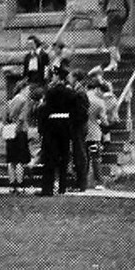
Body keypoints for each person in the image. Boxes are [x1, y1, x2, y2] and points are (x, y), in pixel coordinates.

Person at [38, 65, 75, 196]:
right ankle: (62, 187)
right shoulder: (70, 92)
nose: (52, 78)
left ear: (58, 77)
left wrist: (42, 127)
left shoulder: (51, 92)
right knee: (64, 156)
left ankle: (48, 188)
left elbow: (45, 109)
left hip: (52, 125)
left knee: (50, 157)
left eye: (54, 75)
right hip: (65, 126)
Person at [4, 80, 31, 194]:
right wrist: (18, 127)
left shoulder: (10, 101)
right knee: (20, 160)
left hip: (10, 131)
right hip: (20, 131)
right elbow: (22, 118)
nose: (29, 91)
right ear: (23, 88)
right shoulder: (24, 100)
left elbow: (6, 117)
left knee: (11, 160)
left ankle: (12, 184)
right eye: (28, 89)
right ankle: (19, 184)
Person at [97, 0, 130, 71]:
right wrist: (126, 16)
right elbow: (128, 5)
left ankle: (113, 62)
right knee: (117, 34)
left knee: (110, 38)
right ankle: (116, 55)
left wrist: (103, 16)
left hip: (112, 12)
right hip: (122, 12)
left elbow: (104, 4)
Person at [68, 68, 90, 191]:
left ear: (75, 78)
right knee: (78, 153)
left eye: (71, 77)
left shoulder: (80, 93)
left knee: (80, 153)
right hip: (79, 126)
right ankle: (79, 181)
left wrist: (73, 120)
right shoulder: (78, 91)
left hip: (79, 126)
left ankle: (82, 183)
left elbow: (82, 112)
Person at [86, 78, 110, 189]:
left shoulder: (83, 96)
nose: (103, 95)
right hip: (94, 134)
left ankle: (82, 181)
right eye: (102, 92)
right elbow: (104, 121)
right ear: (98, 89)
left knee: (83, 157)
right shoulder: (100, 102)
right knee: (95, 158)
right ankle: (99, 182)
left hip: (81, 133)